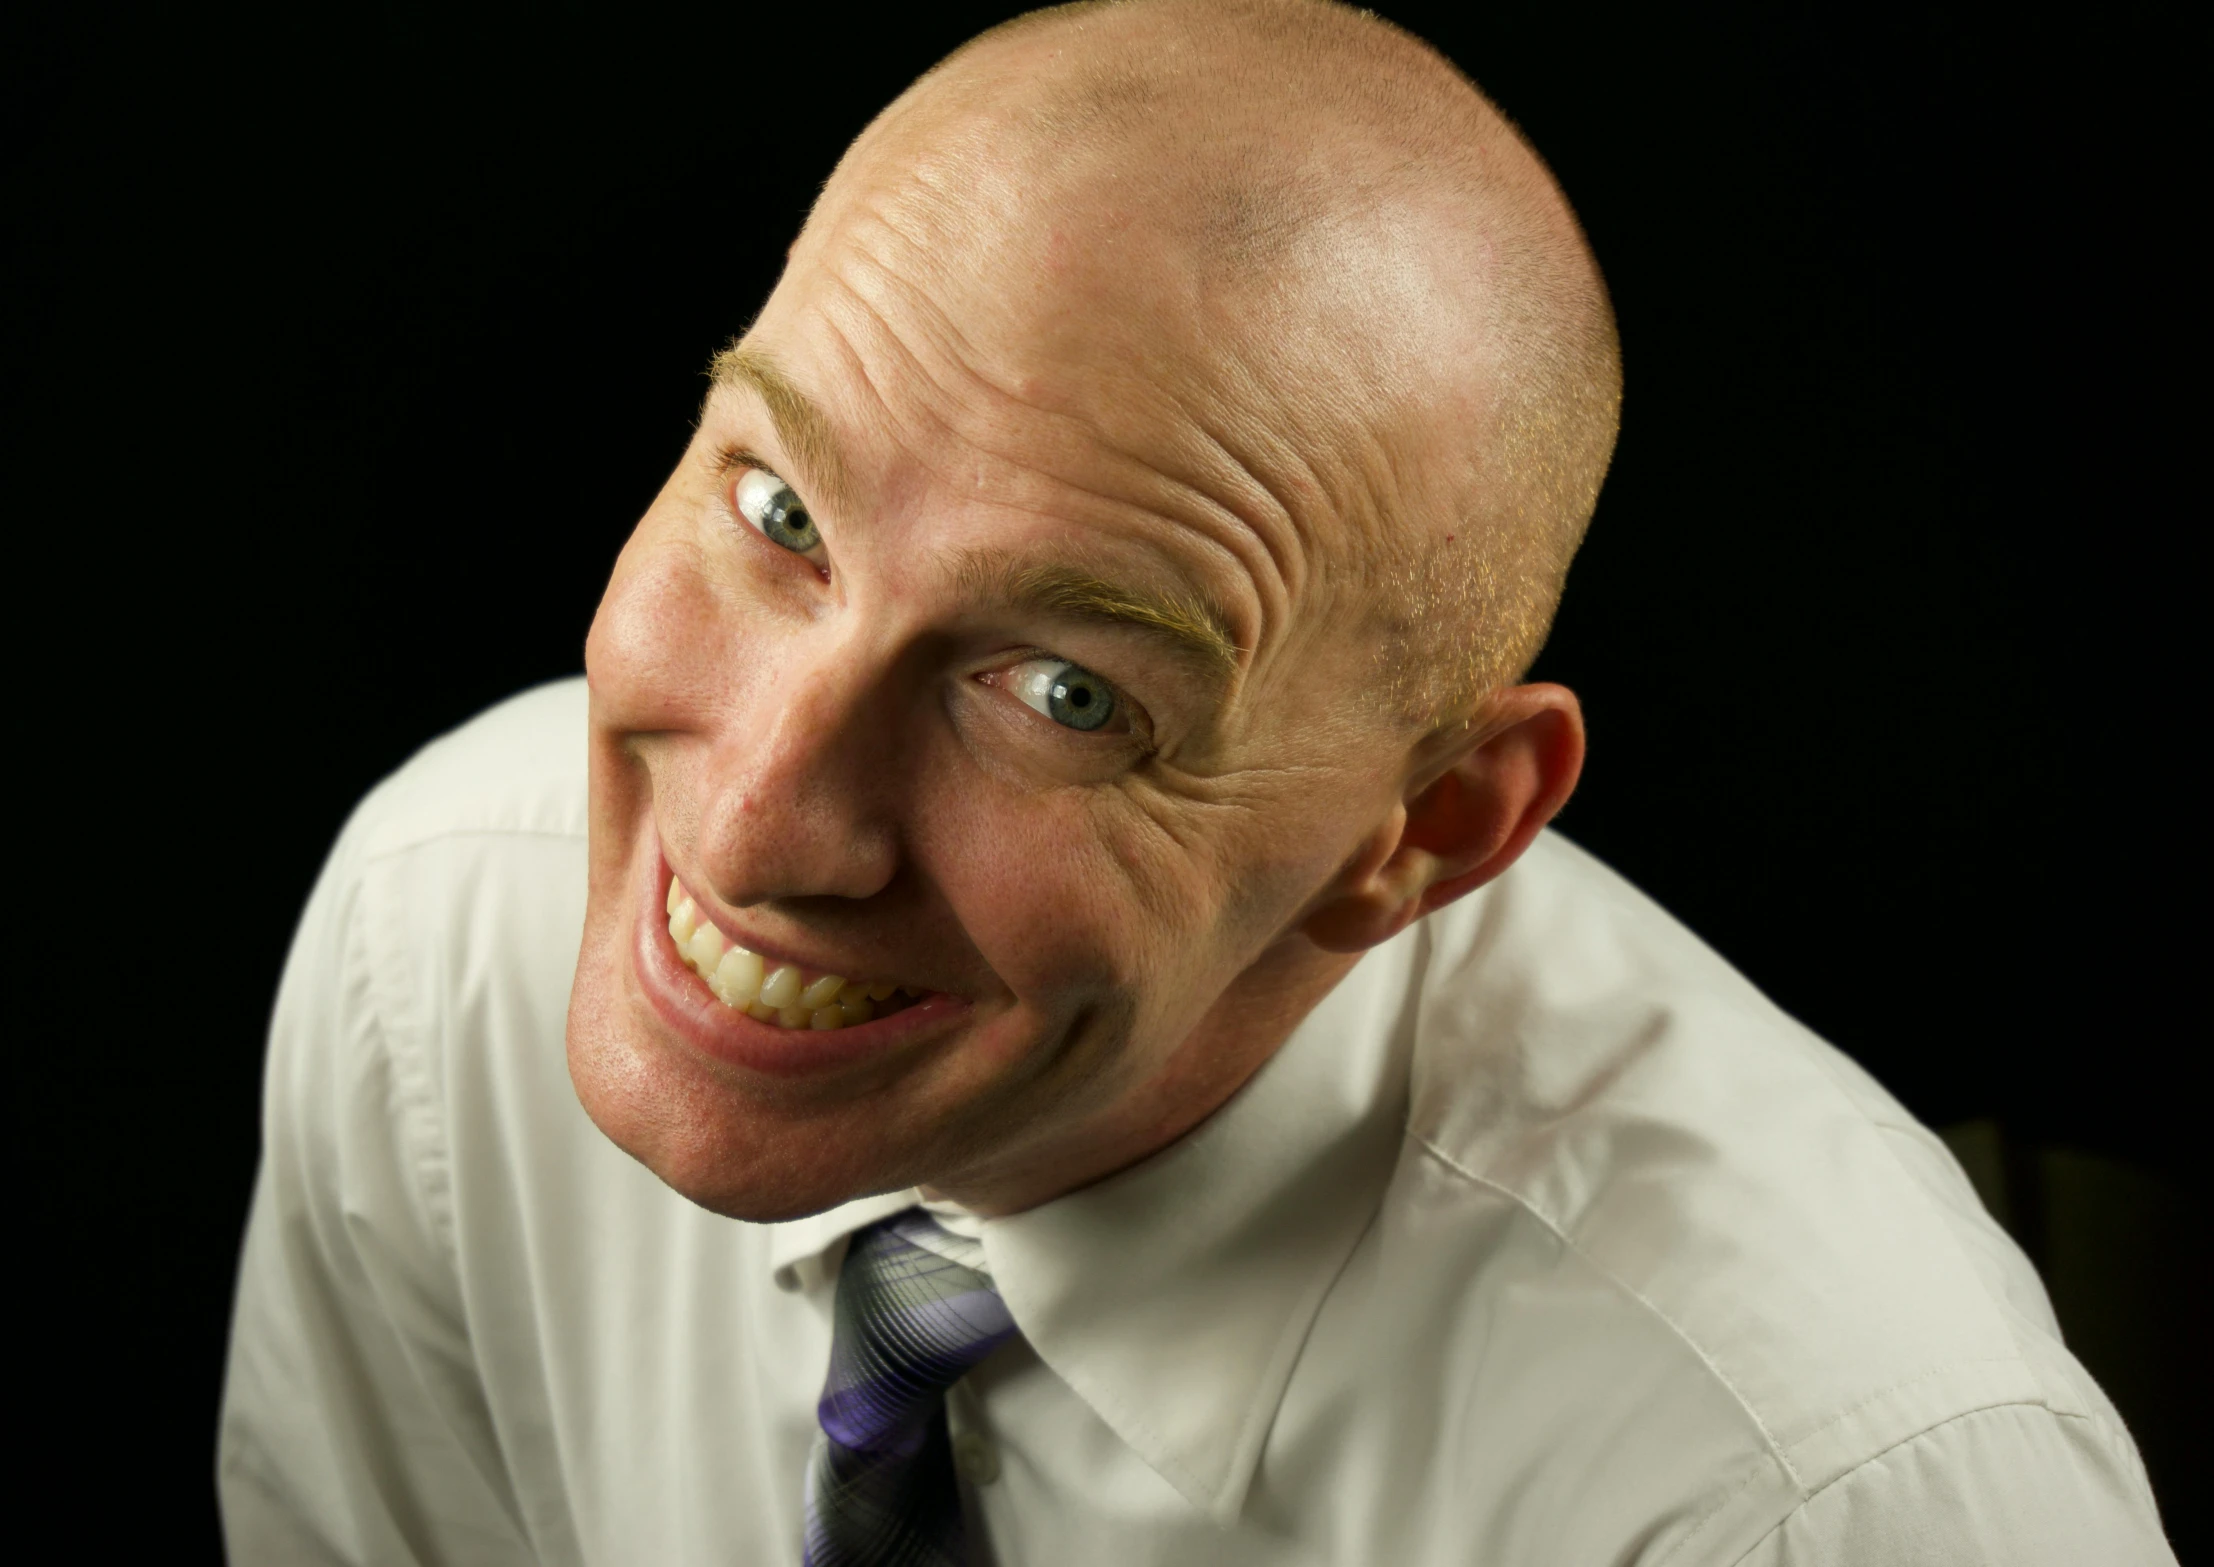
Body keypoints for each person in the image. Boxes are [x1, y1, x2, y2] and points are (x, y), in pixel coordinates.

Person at [216, 1, 2176, 1561]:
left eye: (1066, 692)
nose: (748, 835)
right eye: (778, 507)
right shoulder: (440, 946)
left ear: (1425, 833)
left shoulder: (1813, 1506)